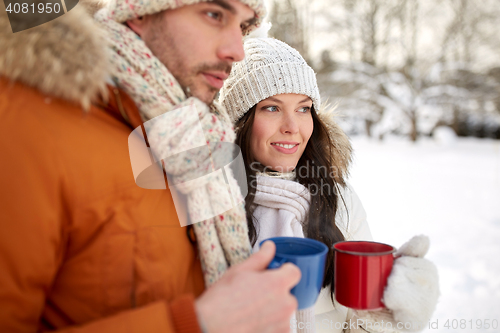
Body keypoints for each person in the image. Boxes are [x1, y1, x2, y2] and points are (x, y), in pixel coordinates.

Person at [0, 1, 302, 332]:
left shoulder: (191, 133)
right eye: (215, 15)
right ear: (139, 12)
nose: (236, 50)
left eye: (243, 27)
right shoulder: (24, 127)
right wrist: (194, 323)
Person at [219, 34, 440, 333]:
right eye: (271, 108)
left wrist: (389, 312)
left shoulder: (338, 200)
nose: (292, 127)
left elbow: (357, 322)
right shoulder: (207, 205)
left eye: (303, 108)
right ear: (238, 121)